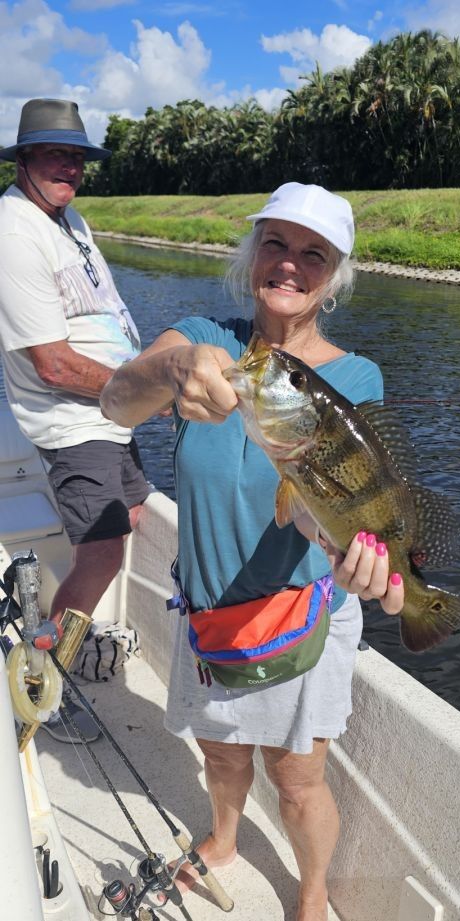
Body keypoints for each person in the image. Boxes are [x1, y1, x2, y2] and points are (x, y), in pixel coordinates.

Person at [100, 181, 404, 920]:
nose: (290, 265)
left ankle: (310, 891)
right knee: (222, 755)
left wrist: (361, 561)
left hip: (304, 613)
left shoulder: (355, 378)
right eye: (276, 243)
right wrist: (171, 371)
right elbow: (115, 400)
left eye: (313, 253)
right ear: (251, 253)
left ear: (335, 275)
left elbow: (316, 509)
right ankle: (226, 838)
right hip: (208, 609)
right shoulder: (204, 334)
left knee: (297, 780)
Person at [0, 99, 150, 744]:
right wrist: (155, 388)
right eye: (55, 154)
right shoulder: (14, 232)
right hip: (73, 420)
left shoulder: (67, 218)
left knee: (135, 517)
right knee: (103, 551)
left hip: (112, 415)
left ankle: (69, 629)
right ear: (25, 159)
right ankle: (44, 680)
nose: (70, 167)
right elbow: (56, 366)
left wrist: (142, 384)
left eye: (79, 156)